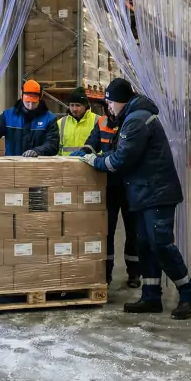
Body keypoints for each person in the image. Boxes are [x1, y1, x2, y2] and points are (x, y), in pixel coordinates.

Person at [78, 78, 191, 319]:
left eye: (110, 102)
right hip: (146, 193)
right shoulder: (132, 118)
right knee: (145, 244)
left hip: (156, 194)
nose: (109, 107)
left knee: (161, 244)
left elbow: (119, 160)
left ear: (120, 101)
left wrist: (94, 161)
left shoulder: (136, 121)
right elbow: (118, 151)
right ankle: (151, 295)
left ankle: (189, 292)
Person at [72, 111, 141, 288]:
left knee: (133, 231)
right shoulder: (102, 122)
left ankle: (134, 273)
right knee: (106, 230)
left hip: (129, 185)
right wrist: (83, 152)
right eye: (108, 105)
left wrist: (98, 159)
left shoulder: (130, 123)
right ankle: (106, 272)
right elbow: (91, 144)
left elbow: (124, 155)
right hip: (109, 185)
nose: (110, 109)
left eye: (112, 104)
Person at [57, 87, 98, 156]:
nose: (74, 109)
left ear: (85, 105)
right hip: (67, 164)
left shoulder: (97, 121)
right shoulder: (61, 122)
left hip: (90, 164)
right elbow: (57, 147)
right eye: (71, 105)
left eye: (78, 105)